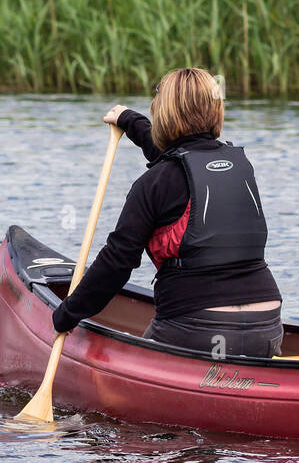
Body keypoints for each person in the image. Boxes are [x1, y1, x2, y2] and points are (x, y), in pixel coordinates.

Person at [51, 68, 284, 357]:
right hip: (267, 327)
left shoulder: (153, 184)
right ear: (216, 110)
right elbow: (181, 156)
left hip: (197, 330)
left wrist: (65, 315)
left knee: (129, 364)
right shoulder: (240, 165)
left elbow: (116, 263)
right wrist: (130, 121)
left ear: (163, 113)